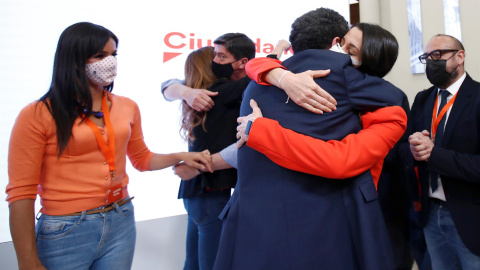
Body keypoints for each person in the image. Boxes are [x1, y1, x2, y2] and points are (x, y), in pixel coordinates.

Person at [5, 22, 212, 270]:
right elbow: (21, 192)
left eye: (113, 54)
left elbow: (142, 159)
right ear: (74, 60)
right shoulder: (38, 114)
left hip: (120, 219)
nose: (111, 62)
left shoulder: (127, 106)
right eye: (100, 55)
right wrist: (27, 260)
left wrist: (180, 156)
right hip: (66, 227)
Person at [213, 8, 407, 270]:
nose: (344, 54)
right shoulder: (340, 78)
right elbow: (396, 98)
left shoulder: (255, 83)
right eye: (343, 44)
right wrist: (277, 74)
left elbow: (340, 159)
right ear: (334, 41)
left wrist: (259, 128)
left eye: (352, 50)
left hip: (255, 226)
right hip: (324, 227)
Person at [163, 33, 257, 270]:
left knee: (194, 261)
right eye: (216, 58)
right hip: (210, 190)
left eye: (222, 57)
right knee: (213, 263)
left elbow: (167, 85)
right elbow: (250, 82)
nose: (219, 61)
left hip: (196, 191)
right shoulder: (217, 94)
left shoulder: (199, 97)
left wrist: (182, 90)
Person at [406, 34, 480, 269]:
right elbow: (405, 149)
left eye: (438, 55)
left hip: (470, 215)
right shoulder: (423, 99)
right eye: (427, 57)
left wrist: (433, 153)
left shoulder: (478, 97)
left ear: (460, 57)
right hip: (430, 213)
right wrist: (415, 149)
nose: (431, 62)